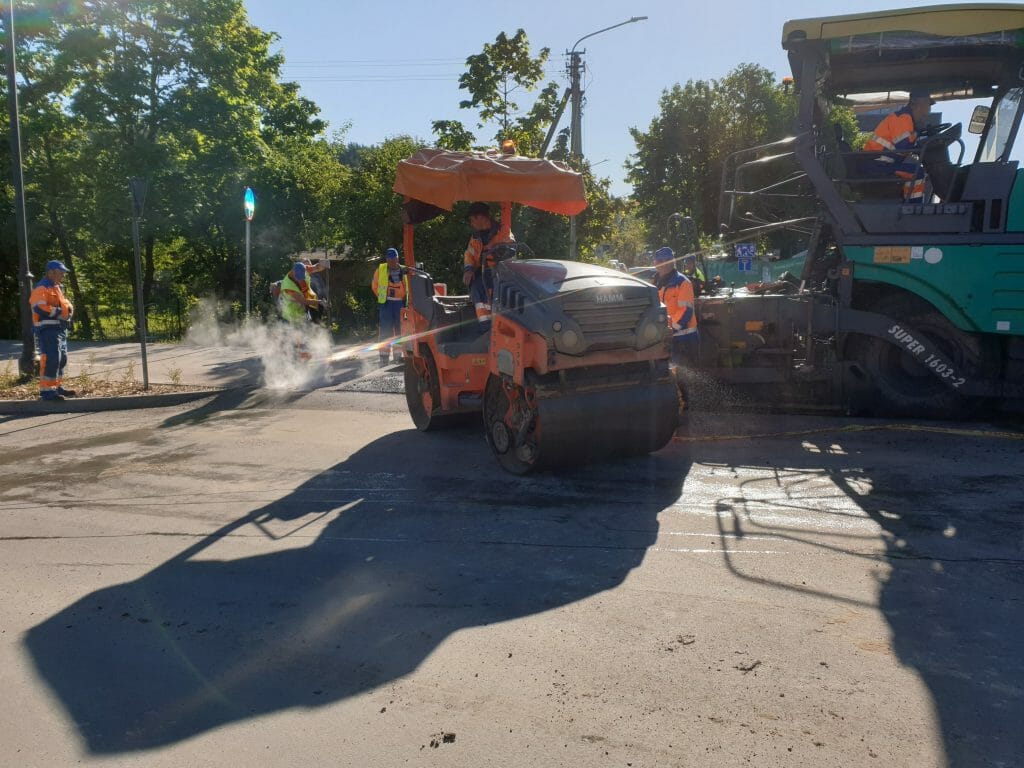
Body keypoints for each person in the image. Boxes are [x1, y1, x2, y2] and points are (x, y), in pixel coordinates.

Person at [863, 89, 953, 202]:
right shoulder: (903, 118)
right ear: (920, 104)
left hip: (880, 163)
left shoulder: (908, 120)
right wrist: (918, 134)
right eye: (928, 105)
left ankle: (909, 203)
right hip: (875, 164)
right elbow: (903, 147)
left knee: (915, 169)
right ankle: (913, 208)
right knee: (916, 172)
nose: (929, 110)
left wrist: (919, 132)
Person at [29, 260, 76, 401]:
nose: (63, 275)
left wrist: (69, 310)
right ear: (51, 272)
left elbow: (66, 304)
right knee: (51, 359)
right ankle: (47, 392)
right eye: (60, 272)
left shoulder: (57, 287)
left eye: (63, 272)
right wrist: (61, 312)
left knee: (61, 359)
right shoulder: (41, 288)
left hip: (59, 329)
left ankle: (56, 386)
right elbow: (39, 307)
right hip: (47, 329)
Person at [462, 202, 514, 321]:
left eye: (471, 220)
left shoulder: (503, 231)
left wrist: (494, 247)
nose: (471, 224)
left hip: (502, 272)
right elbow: (469, 255)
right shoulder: (475, 237)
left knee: (486, 284)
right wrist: (468, 270)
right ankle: (484, 323)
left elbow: (510, 248)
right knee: (476, 285)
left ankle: (496, 321)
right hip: (485, 273)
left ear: (479, 217)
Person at [653, 246, 699, 366]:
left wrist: (670, 329)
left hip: (685, 339)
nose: (661, 265)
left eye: (665, 261)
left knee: (683, 377)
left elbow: (686, 312)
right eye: (658, 262)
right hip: (668, 338)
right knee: (670, 374)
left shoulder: (682, 282)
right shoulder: (658, 282)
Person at [371, 247, 409, 366]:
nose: (391, 262)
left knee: (400, 331)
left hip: (399, 304)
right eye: (389, 259)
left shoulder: (404, 270)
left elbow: (408, 286)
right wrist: (382, 297)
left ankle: (397, 357)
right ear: (387, 259)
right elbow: (374, 285)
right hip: (386, 303)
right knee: (385, 331)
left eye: (393, 259)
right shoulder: (381, 269)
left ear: (397, 258)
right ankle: (384, 358)